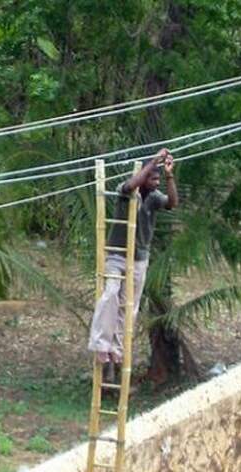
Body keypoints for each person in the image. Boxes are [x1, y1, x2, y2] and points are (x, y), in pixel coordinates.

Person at [88, 148, 178, 363]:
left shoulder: (154, 198)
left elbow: (173, 203)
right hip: (117, 256)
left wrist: (169, 175)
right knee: (110, 293)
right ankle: (101, 344)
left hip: (139, 259)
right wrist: (152, 162)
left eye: (158, 179)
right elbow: (131, 184)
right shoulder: (127, 191)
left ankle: (117, 350)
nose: (156, 183)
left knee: (129, 306)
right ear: (144, 178)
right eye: (153, 179)